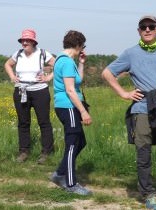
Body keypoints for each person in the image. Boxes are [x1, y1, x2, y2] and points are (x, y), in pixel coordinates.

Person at [102, 15, 156, 209]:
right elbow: (107, 73)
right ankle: (149, 193)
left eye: (151, 26)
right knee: (143, 151)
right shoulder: (131, 53)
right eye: (143, 27)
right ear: (138, 30)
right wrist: (124, 93)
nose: (147, 30)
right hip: (141, 108)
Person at [50, 30, 92, 196]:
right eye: (82, 46)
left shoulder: (67, 60)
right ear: (78, 45)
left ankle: (59, 174)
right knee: (73, 143)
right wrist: (83, 112)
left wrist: (82, 63)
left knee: (80, 142)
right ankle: (70, 183)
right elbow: (70, 90)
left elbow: (77, 82)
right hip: (68, 106)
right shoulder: (66, 62)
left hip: (68, 106)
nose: (82, 49)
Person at [4, 29, 55, 164]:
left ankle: (46, 152)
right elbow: (7, 64)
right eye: (22, 40)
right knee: (23, 123)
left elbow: (58, 65)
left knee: (44, 122)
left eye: (27, 40)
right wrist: (12, 76)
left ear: (33, 42)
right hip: (21, 91)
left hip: (40, 91)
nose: (24, 43)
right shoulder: (18, 54)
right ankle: (24, 152)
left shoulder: (42, 53)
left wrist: (48, 77)